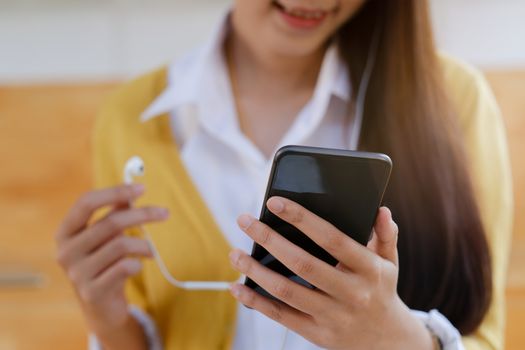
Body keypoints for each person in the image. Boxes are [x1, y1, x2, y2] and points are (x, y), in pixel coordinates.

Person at [54, 0, 513, 349]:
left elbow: (483, 334)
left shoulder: (453, 101)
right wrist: (109, 321)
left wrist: (402, 340)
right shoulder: (129, 119)